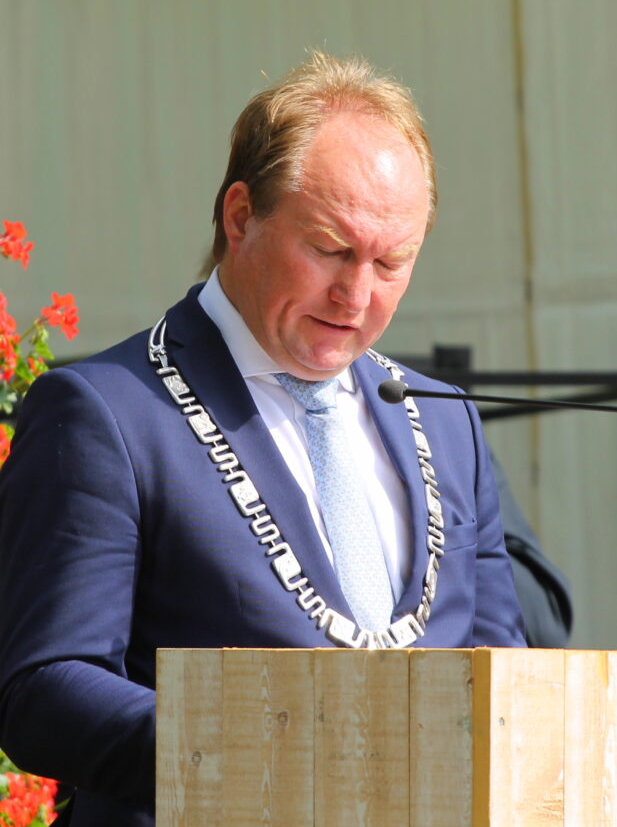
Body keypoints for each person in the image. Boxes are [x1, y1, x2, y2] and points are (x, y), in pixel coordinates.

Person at [0, 52, 525, 825]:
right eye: (330, 249)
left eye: (392, 261)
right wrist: (261, 755)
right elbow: (44, 690)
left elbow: (505, 681)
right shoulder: (108, 415)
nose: (357, 294)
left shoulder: (444, 420)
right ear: (240, 217)